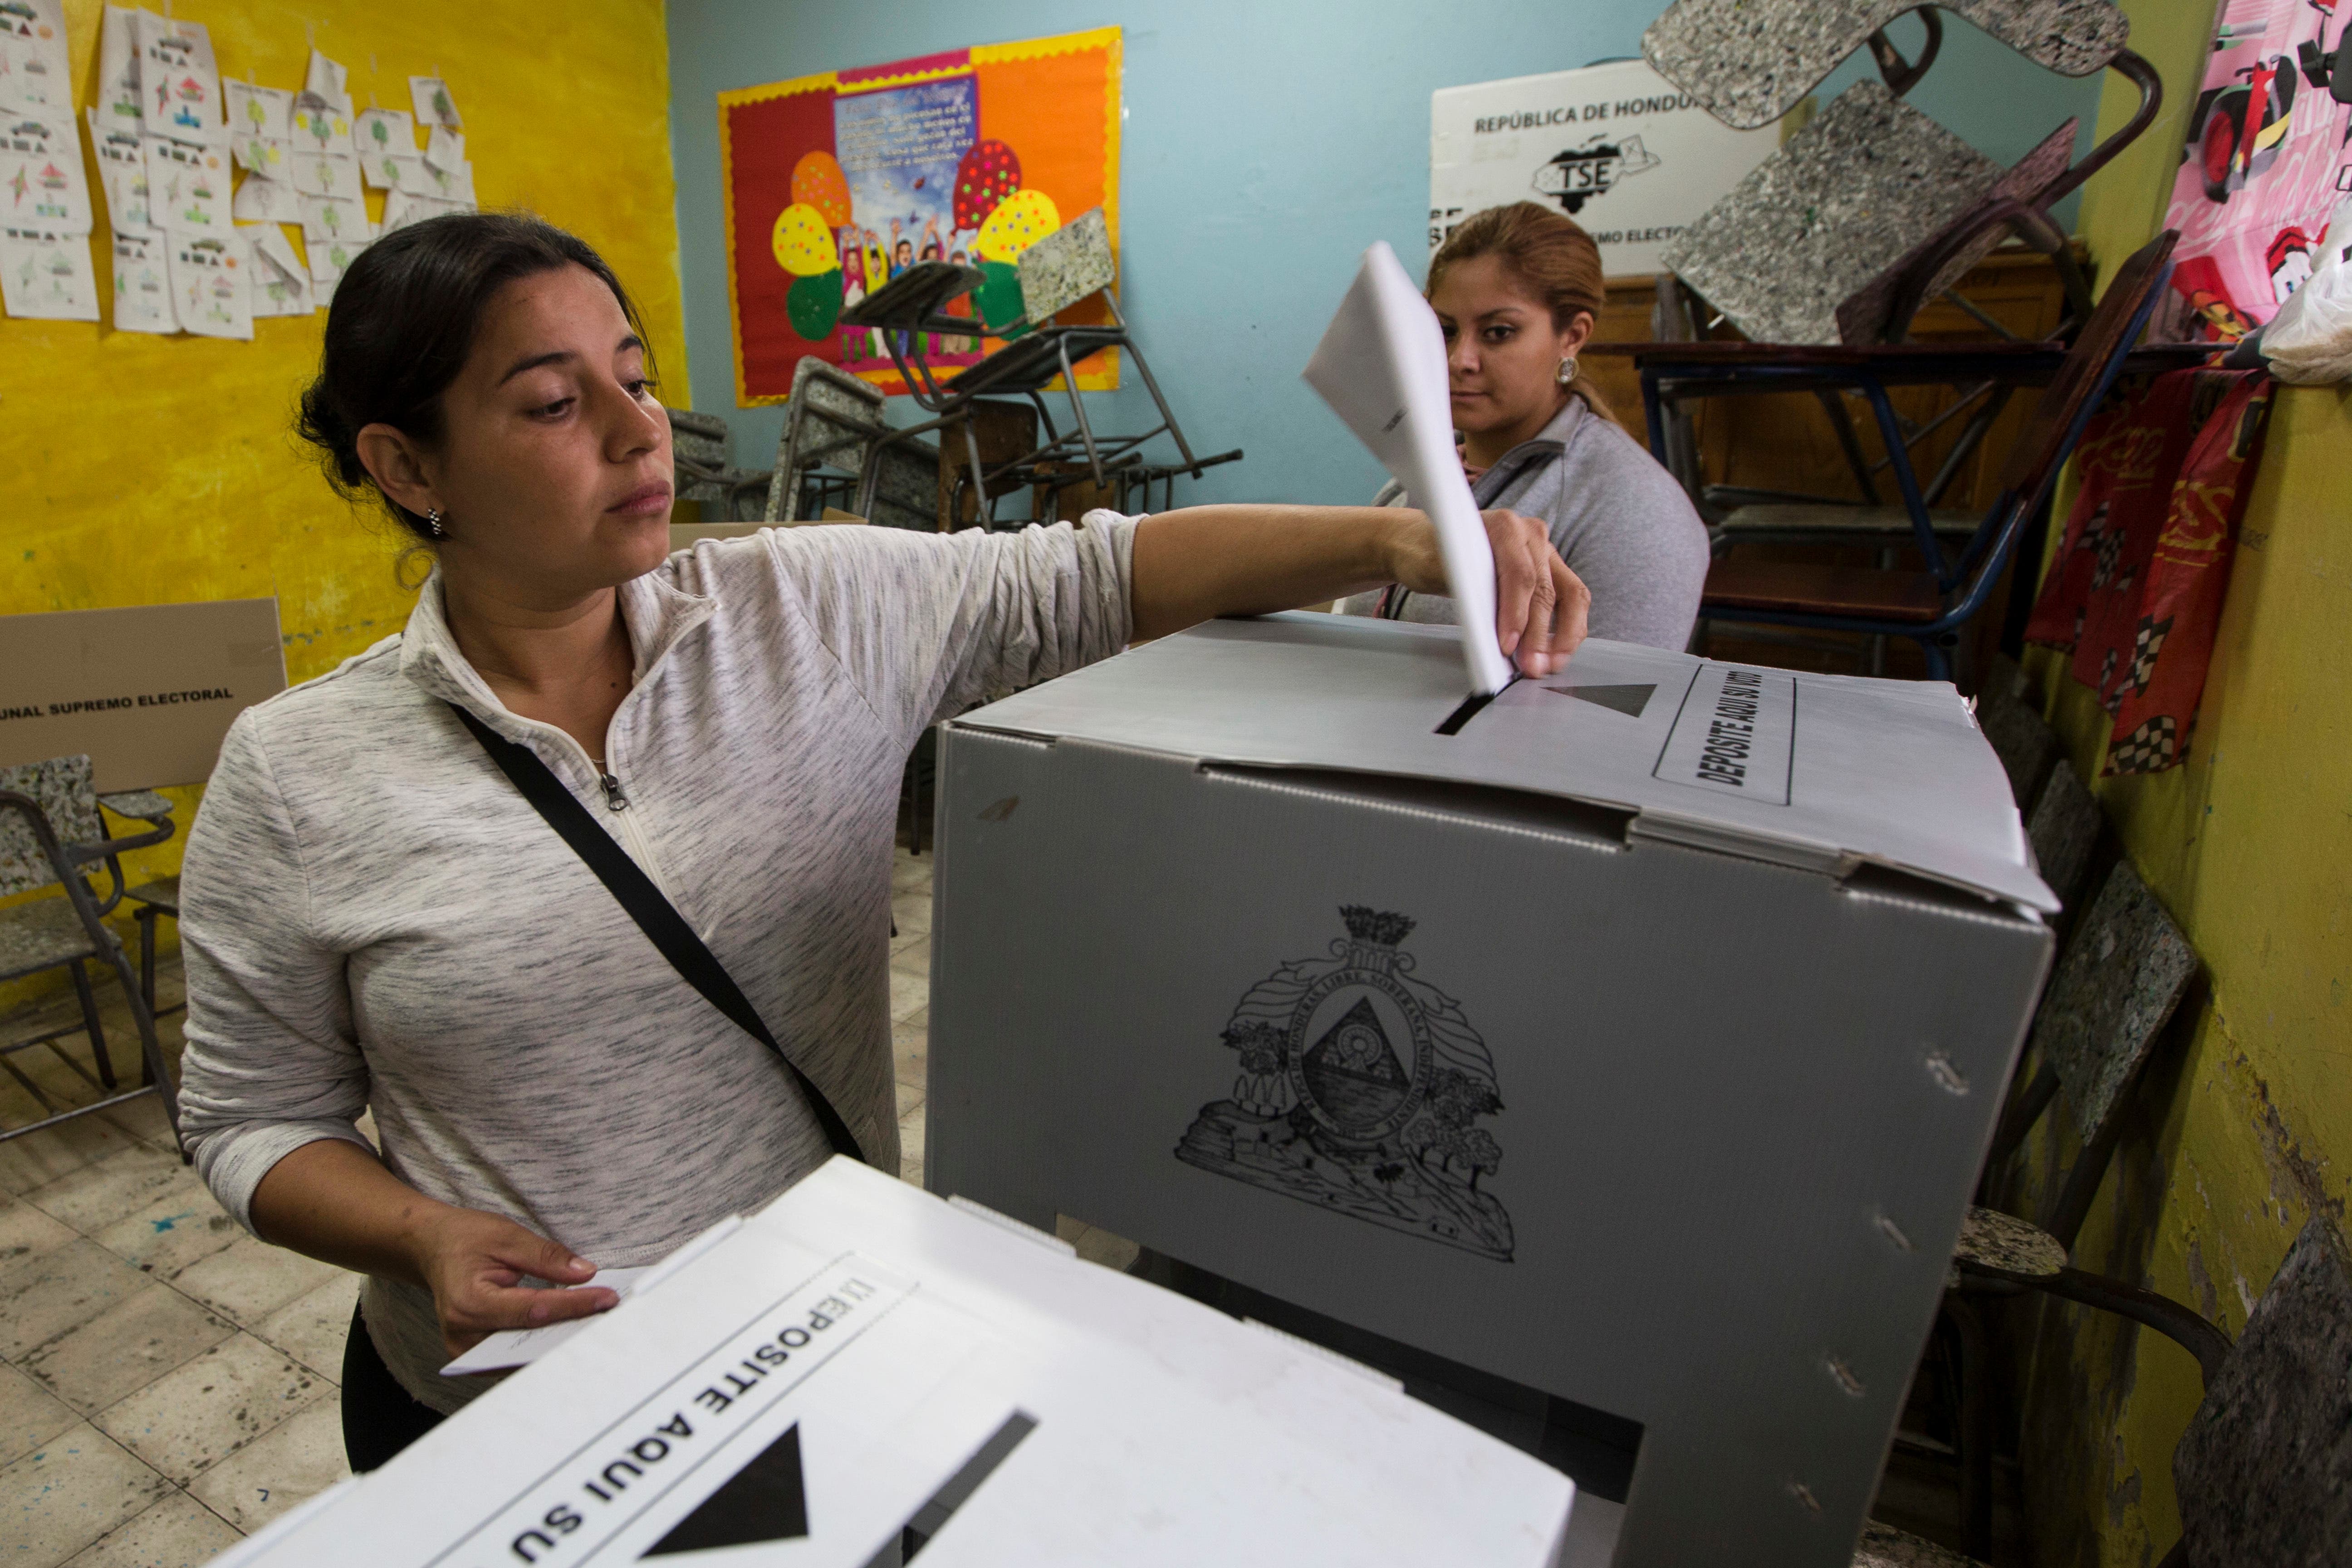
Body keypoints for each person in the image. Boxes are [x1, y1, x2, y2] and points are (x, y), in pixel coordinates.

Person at [171, 212, 1589, 1473]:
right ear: (407, 464)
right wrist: (419, 1239)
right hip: (501, 1422)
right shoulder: (300, 772)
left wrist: (1406, 542)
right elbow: (248, 1120)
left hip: (810, 1342)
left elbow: (1101, 572)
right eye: (553, 402)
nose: (635, 428)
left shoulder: (806, 612)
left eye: (637, 375)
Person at [1339, 201, 1709, 651]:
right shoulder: (1418, 477)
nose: (1460, 361)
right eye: (1447, 330)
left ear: (1572, 336)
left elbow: (1609, 701)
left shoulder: (1635, 511)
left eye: (1498, 332)